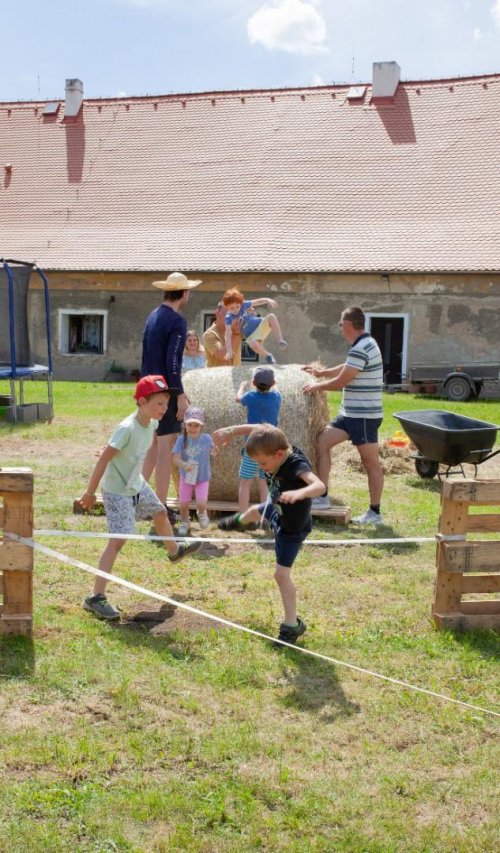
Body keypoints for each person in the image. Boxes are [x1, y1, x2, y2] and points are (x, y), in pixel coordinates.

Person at [79, 375, 202, 620]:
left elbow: (122, 449)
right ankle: (95, 597)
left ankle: (174, 551)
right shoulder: (127, 427)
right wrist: (89, 492)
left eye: (166, 404)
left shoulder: (153, 425)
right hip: (117, 491)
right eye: (159, 404)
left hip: (135, 483)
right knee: (117, 542)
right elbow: (105, 458)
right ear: (142, 401)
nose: (164, 409)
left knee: (159, 512)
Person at [213, 423, 325, 645]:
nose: (262, 469)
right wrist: (231, 431)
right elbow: (261, 427)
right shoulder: (276, 444)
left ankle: (292, 625)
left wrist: (300, 492)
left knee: (281, 576)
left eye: (263, 463)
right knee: (257, 510)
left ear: (279, 454)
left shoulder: (296, 465)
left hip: (292, 528)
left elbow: (319, 486)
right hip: (277, 509)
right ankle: (241, 523)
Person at [302, 306, 385, 525]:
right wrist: (322, 372)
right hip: (350, 415)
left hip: (364, 417)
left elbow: (342, 380)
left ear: (348, 324)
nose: (340, 328)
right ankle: (322, 496)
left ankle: (375, 513)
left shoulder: (363, 346)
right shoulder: (361, 345)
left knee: (370, 463)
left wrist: (316, 386)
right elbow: (346, 367)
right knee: (322, 441)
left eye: (340, 324)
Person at [140, 272, 201, 511]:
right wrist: (179, 394)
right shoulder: (177, 321)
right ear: (184, 293)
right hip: (163, 392)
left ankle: (141, 500)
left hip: (147, 388)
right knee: (165, 447)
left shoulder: (153, 315)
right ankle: (160, 506)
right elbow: (173, 361)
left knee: (153, 445)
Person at [235, 366, 282, 511]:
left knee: (245, 483)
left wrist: (242, 387)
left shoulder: (250, 397)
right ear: (273, 383)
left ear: (253, 383)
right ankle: (266, 519)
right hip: (270, 448)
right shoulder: (276, 397)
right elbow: (277, 390)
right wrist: (275, 384)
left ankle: (243, 517)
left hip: (252, 447)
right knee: (264, 483)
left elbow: (237, 399)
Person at [172, 406, 215, 536]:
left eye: (196, 425)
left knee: (201, 503)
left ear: (201, 426)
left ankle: (201, 513)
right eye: (190, 424)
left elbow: (214, 451)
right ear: (185, 425)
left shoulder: (207, 439)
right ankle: (185, 522)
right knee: (183, 504)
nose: (192, 428)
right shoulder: (181, 440)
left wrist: (215, 450)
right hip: (186, 477)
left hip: (202, 478)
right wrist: (184, 465)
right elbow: (175, 458)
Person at [222, 287, 287, 365]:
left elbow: (257, 302)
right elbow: (227, 335)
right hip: (252, 336)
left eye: (237, 307)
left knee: (271, 316)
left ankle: (280, 340)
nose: (235, 310)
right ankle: (268, 356)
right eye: (232, 308)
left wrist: (267, 300)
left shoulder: (244, 305)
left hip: (260, 324)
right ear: (227, 307)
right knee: (253, 344)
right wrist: (229, 350)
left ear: (240, 304)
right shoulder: (229, 318)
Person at [202, 301, 242, 368]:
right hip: (217, 377)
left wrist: (252, 315)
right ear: (217, 313)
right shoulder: (210, 334)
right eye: (227, 314)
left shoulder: (235, 329)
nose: (230, 318)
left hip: (236, 375)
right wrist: (235, 333)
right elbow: (222, 356)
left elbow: (257, 337)